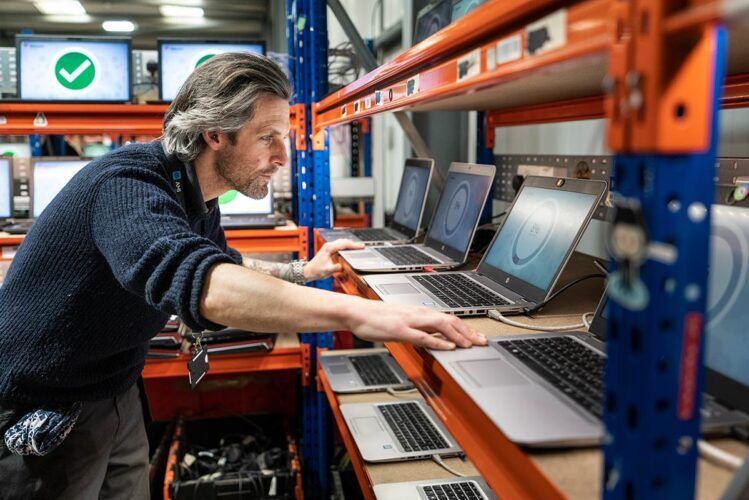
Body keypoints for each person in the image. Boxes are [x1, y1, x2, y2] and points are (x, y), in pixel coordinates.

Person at [0, 52, 485, 499]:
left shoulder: (191, 190)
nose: (282, 156)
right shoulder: (127, 185)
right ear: (215, 132)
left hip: (115, 387)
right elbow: (197, 278)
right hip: (46, 404)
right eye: (268, 137)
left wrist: (304, 269)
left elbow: (219, 259)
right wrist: (359, 315)